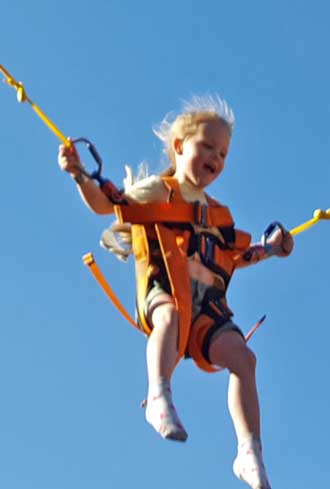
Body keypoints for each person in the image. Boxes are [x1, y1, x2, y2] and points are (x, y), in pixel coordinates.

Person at [58, 95, 293, 489]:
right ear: (181, 147)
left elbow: (237, 256)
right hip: (165, 289)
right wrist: (80, 175)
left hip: (206, 309)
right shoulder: (157, 191)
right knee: (168, 314)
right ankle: (158, 396)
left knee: (244, 360)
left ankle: (249, 451)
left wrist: (271, 250)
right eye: (207, 146)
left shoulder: (218, 214)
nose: (216, 157)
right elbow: (106, 205)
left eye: (223, 153)